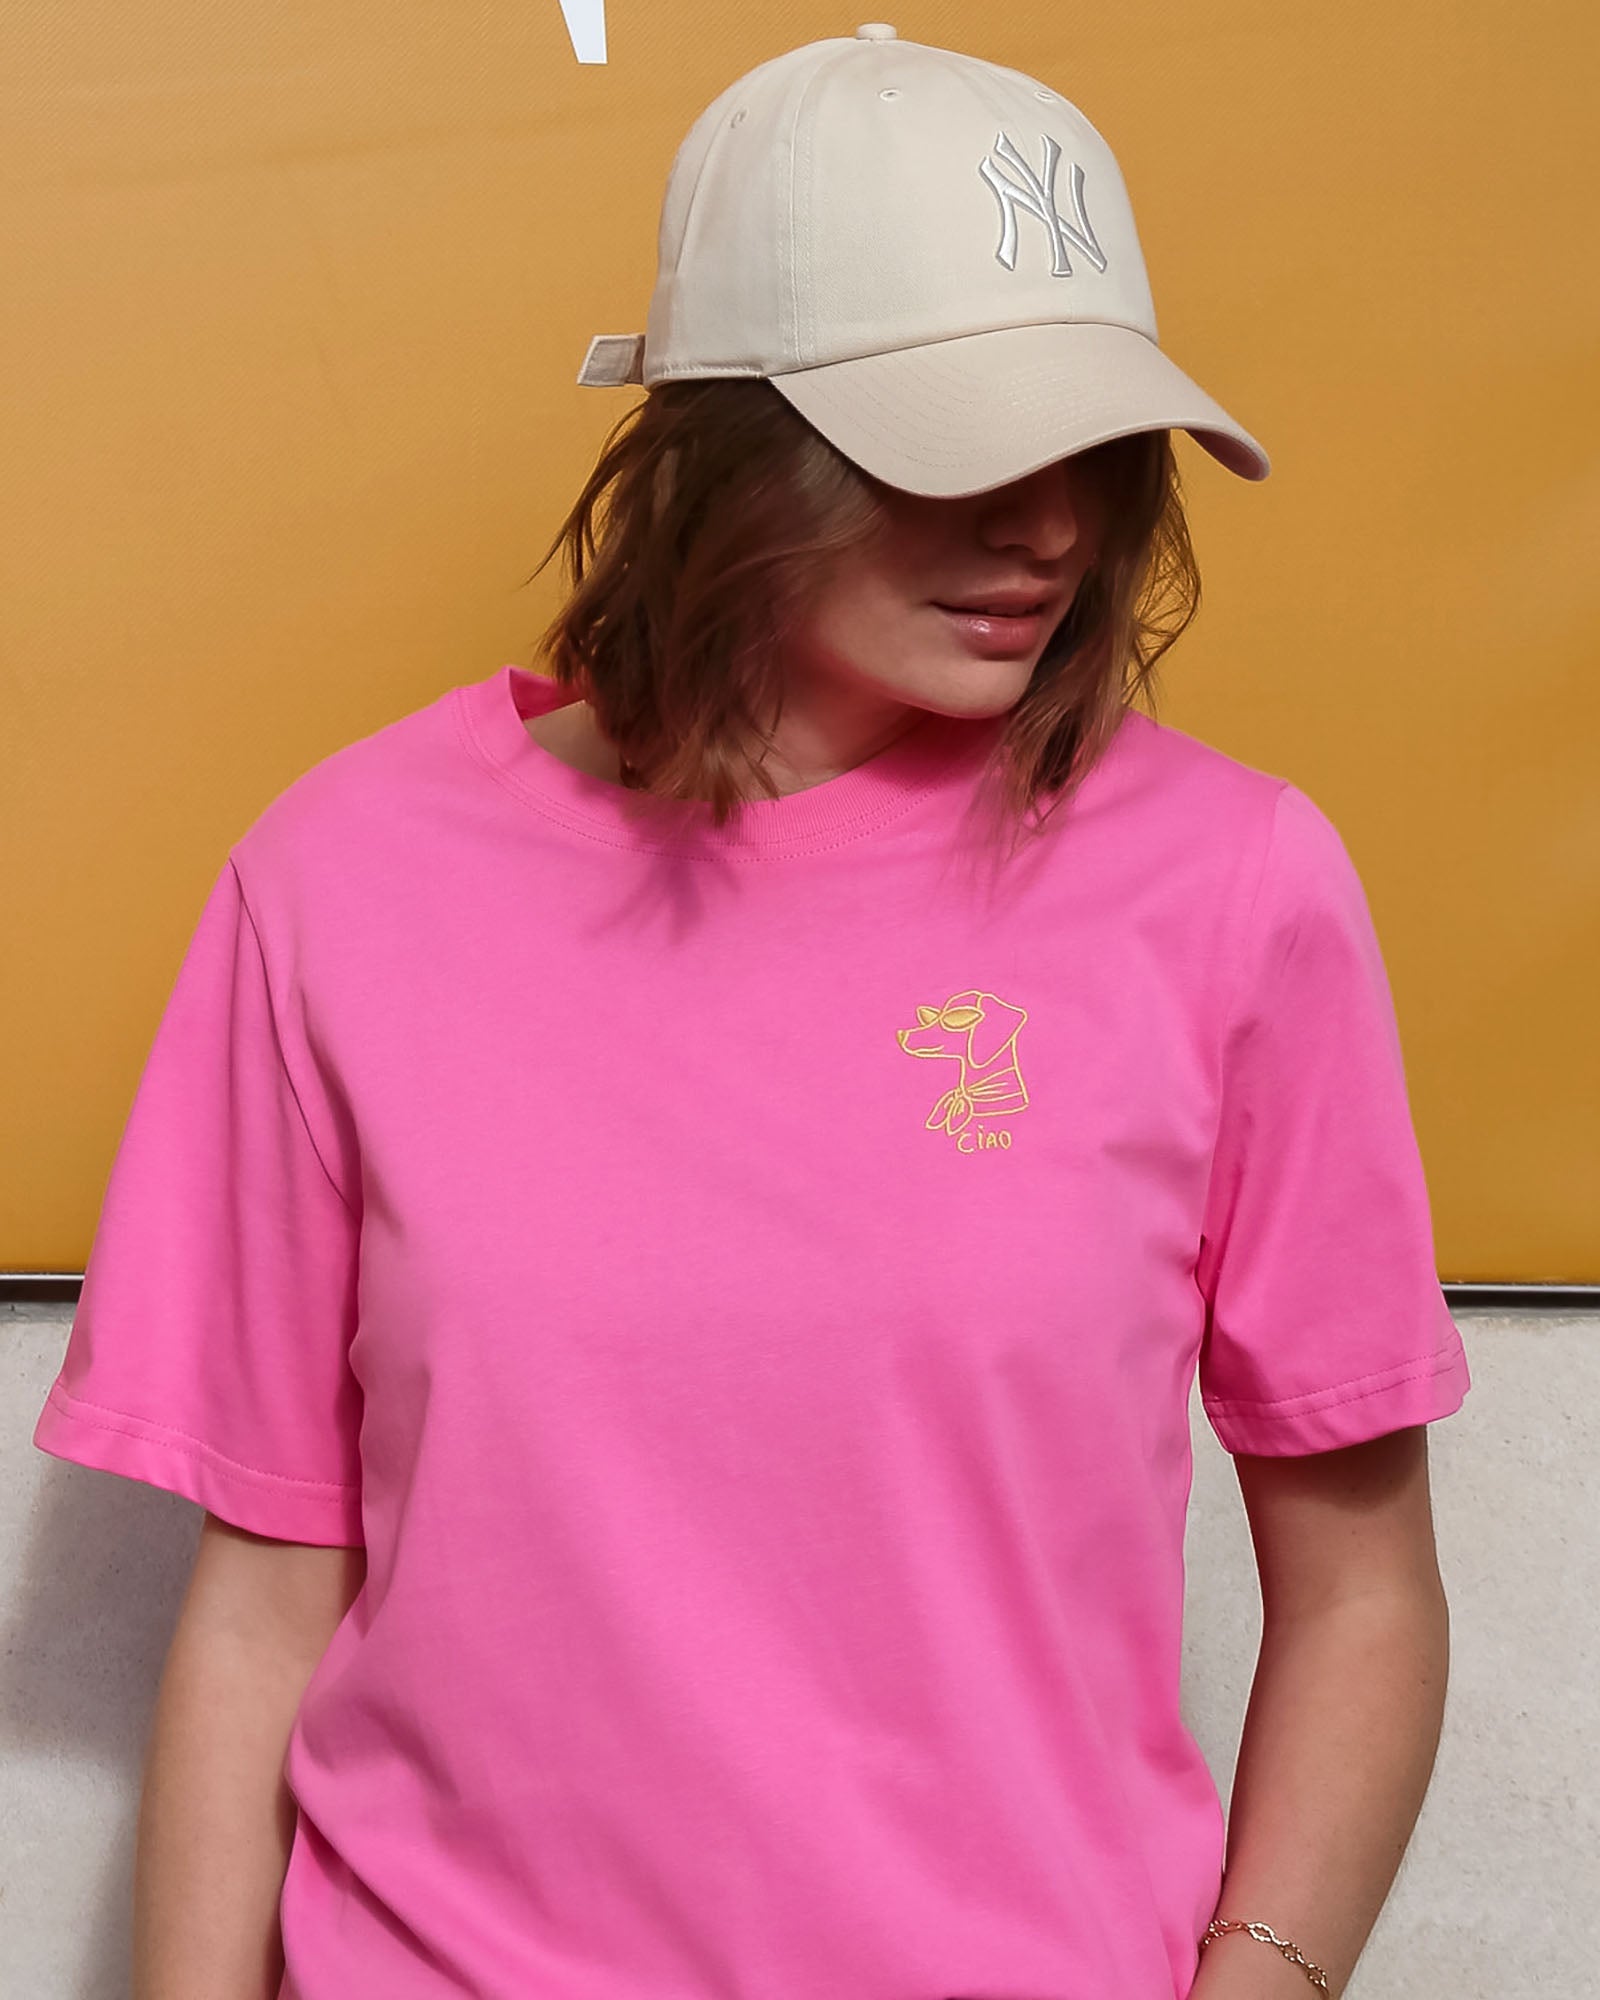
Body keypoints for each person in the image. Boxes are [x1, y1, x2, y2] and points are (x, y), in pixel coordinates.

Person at [34, 23, 1472, 2000]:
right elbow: (272, 1593)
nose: (1052, 525)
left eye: (1093, 441)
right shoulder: (345, 879)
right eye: (959, 445)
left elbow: (1362, 1590)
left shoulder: (1232, 887)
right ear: (724, 447)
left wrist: (1263, 1980)